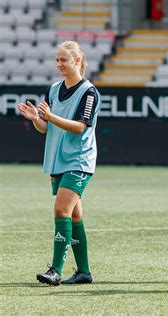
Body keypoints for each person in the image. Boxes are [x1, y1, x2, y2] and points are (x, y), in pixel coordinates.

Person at [17, 41, 102, 286]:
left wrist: (51, 116)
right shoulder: (53, 89)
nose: (59, 64)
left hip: (79, 159)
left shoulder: (89, 91)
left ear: (77, 61)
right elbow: (46, 128)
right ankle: (84, 272)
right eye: (57, 60)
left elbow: (79, 127)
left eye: (64, 60)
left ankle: (55, 270)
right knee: (74, 216)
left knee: (60, 210)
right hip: (58, 160)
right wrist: (36, 119)